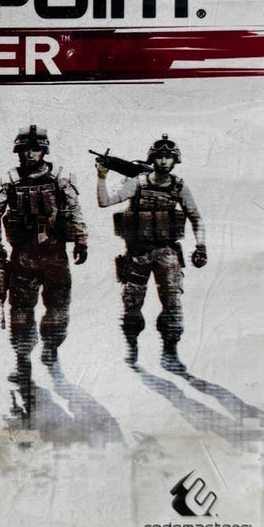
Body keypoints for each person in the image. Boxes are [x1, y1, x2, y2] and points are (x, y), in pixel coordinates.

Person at [0, 125, 87, 382]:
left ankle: (51, 347)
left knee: (58, 308)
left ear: (44, 150)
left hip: (55, 255)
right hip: (23, 256)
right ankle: (22, 362)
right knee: (20, 311)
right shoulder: (9, 181)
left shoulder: (61, 178)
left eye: (35, 149)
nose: (29, 154)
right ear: (17, 151)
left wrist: (81, 239)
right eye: (25, 149)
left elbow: (74, 210)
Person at [96, 135, 206, 372]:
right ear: (152, 159)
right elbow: (105, 201)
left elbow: (196, 217)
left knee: (173, 302)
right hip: (138, 252)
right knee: (132, 302)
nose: (164, 161)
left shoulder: (179, 186)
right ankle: (131, 346)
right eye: (159, 157)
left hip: (167, 252)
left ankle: (170, 352)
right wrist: (102, 177)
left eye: (168, 157)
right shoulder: (137, 183)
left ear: (175, 161)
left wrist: (201, 246)